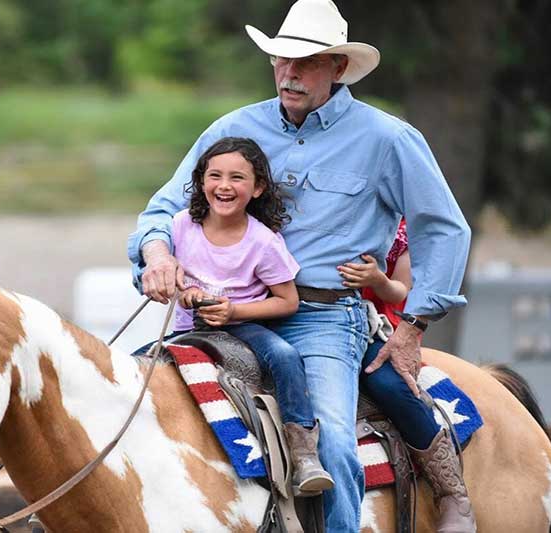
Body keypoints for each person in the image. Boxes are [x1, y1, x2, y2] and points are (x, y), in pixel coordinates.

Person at [127, 0, 472, 531]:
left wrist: (414, 324)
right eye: (282, 59)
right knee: (132, 400)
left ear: (338, 68)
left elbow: (445, 229)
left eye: (307, 62)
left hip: (324, 316)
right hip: (218, 308)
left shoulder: (388, 139)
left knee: (332, 438)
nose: (290, 72)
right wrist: (156, 254)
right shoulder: (234, 127)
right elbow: (165, 207)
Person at [173, 136, 334, 494]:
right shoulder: (182, 225)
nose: (224, 186)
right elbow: (173, 283)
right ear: (201, 181)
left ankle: (303, 450)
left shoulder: (263, 242)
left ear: (258, 187)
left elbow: (287, 301)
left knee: (284, 355)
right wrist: (186, 296)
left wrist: (234, 311)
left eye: (237, 178)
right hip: (189, 328)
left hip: (243, 326)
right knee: (136, 366)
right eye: (215, 176)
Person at [339, 220, 476, 533]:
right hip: (307, 318)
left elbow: (401, 288)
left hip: (375, 327)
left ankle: (451, 490)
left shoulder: (397, 229)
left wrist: (376, 279)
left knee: (386, 384)